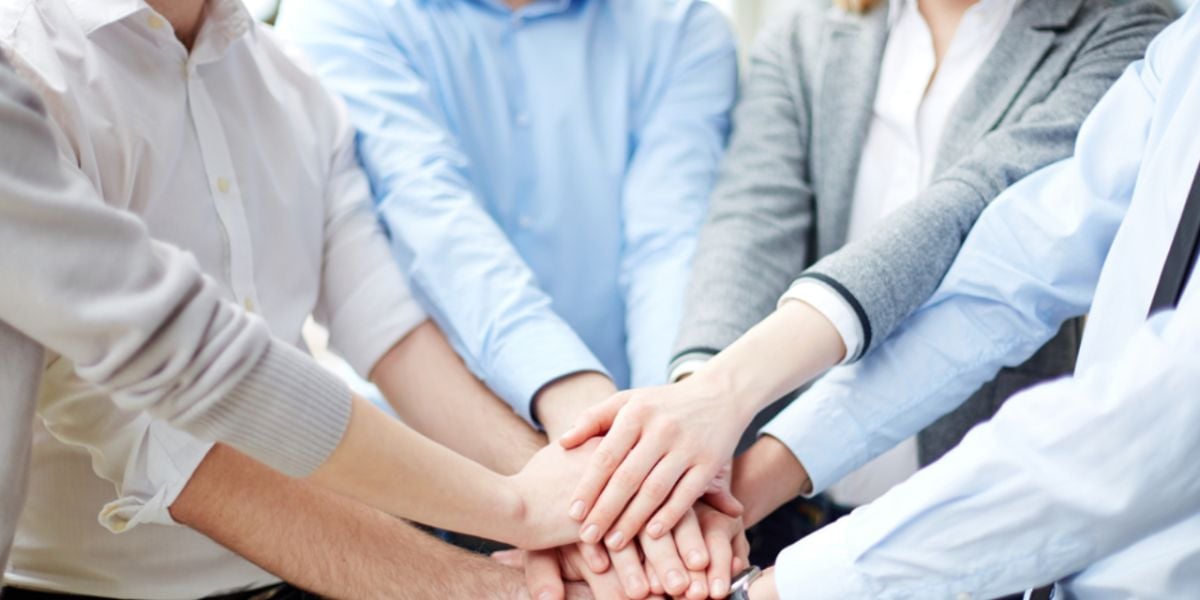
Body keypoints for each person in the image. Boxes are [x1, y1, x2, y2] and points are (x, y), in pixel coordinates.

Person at [570, 1, 1200, 596]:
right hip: (793, 509)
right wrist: (713, 436)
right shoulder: (808, 33)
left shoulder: (1125, 30)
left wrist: (720, 403)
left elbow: (970, 207)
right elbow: (754, 227)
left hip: (971, 530)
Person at [0, 1, 602, 598]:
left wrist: (588, 505)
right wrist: (511, 548)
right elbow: (155, 416)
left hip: (313, 580)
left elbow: (391, 331)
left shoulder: (293, 77)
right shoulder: (23, 65)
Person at [275, 0, 740, 597]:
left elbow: (671, 244)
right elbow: (435, 218)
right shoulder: (343, 16)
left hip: (638, 501)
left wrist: (661, 460)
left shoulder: (681, 23)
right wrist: (624, 460)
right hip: (428, 477)